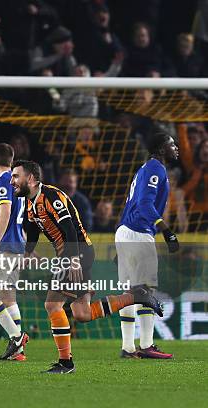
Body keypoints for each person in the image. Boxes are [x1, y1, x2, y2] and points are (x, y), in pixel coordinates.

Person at [10, 160, 162, 373]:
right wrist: (27, 253)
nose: (12, 180)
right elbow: (34, 230)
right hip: (73, 253)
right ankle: (137, 296)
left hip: (75, 251)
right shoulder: (29, 202)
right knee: (82, 313)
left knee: (52, 305)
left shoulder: (51, 197)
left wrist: (72, 259)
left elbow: (69, 227)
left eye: (16, 176)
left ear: (32, 179)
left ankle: (66, 363)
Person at [116, 131, 180, 359]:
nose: (176, 148)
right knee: (146, 290)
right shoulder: (156, 168)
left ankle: (127, 347)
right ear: (162, 149)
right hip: (139, 233)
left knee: (129, 292)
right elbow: (144, 204)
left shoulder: (144, 169)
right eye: (172, 145)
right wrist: (166, 230)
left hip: (125, 231)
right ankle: (146, 344)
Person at [0, 143, 28, 361]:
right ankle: (18, 352)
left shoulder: (2, 182)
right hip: (17, 245)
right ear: (11, 162)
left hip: (6, 247)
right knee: (7, 297)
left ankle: (16, 337)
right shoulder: (18, 183)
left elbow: (5, 210)